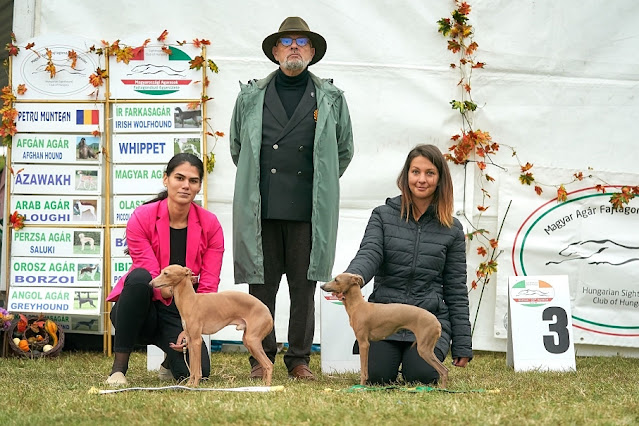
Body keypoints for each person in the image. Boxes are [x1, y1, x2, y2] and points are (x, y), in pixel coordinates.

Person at [229, 16, 354, 380]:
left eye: (302, 41)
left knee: (304, 290)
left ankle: (299, 359)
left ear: (313, 52)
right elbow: (240, 149)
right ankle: (260, 358)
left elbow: (342, 151)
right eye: (287, 41)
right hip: (262, 211)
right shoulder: (250, 96)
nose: (294, 47)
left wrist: (322, 184)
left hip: (306, 212)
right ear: (275, 51)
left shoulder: (331, 98)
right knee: (260, 291)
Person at [342, 144, 472, 385]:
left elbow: (456, 288)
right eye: (415, 172)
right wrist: (354, 276)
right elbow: (369, 253)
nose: (421, 179)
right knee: (378, 377)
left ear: (440, 179)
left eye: (429, 173)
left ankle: (414, 361)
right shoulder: (382, 215)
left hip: (428, 316)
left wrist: (463, 343)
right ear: (406, 176)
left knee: (421, 375)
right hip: (385, 317)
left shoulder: (452, 229)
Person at [105, 153, 224, 386]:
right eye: (179, 178)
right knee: (139, 278)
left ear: (199, 186)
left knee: (202, 373)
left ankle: (170, 360)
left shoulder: (210, 224)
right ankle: (118, 370)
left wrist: (190, 325)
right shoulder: (142, 216)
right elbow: (150, 273)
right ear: (165, 179)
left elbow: (209, 283)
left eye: (193, 180)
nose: (185, 185)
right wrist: (170, 296)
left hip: (181, 310)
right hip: (142, 304)